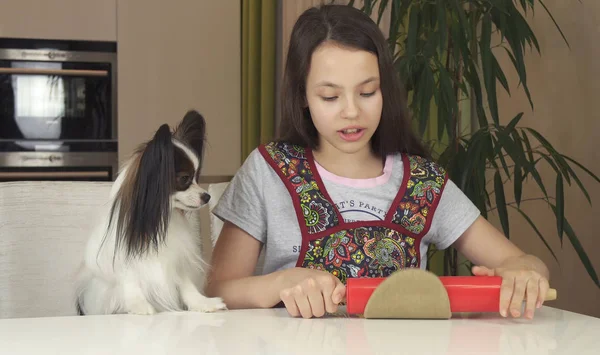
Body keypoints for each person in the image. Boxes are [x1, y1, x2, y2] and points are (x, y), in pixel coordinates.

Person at [206, 4, 550, 320]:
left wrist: (526, 272)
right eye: (330, 96)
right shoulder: (268, 170)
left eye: (368, 92)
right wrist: (280, 283)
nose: (352, 111)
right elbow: (218, 290)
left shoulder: (423, 182)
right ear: (302, 97)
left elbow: (520, 261)